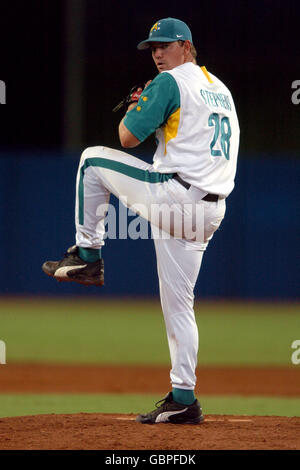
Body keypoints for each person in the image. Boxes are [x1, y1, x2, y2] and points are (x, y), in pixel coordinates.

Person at [42, 17, 239, 424]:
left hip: (178, 196)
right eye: (152, 48)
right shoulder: (220, 90)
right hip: (210, 210)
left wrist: (138, 105)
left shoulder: (170, 83)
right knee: (179, 306)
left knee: (91, 161)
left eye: (165, 46)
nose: (157, 54)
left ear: (187, 46)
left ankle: (87, 253)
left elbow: (127, 138)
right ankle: (184, 397)